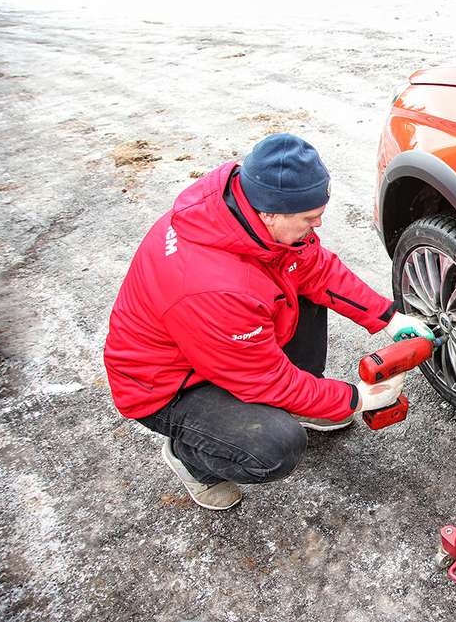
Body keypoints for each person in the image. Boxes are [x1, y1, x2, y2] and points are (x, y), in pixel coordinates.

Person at [103, 133, 432, 511]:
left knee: (300, 286)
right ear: (269, 213)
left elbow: (316, 269)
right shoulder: (213, 285)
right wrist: (355, 398)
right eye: (309, 217)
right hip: (168, 386)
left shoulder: (251, 211)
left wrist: (387, 317)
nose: (319, 223)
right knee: (274, 445)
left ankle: (304, 403)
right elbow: (264, 380)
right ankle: (192, 460)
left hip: (226, 347)